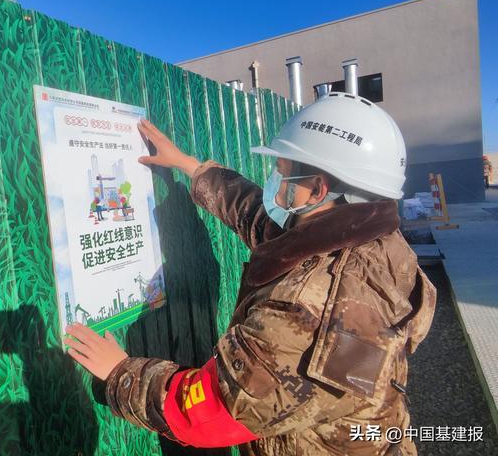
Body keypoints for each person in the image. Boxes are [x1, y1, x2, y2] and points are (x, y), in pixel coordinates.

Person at [65, 93, 437, 455]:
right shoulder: (371, 239)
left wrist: (120, 373)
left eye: (284, 170)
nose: (276, 177)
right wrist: (192, 167)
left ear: (319, 189)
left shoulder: (313, 311)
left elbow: (214, 411)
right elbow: (260, 220)